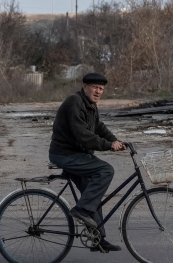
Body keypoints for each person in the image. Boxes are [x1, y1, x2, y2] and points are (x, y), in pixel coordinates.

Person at [49, 72, 126, 253]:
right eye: (95, 87)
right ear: (85, 87)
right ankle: (81, 211)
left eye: (101, 89)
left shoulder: (90, 104)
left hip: (77, 155)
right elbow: (83, 135)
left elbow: (98, 127)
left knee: (92, 195)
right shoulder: (74, 102)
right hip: (65, 154)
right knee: (106, 170)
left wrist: (117, 141)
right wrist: (109, 146)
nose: (98, 91)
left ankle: (98, 239)